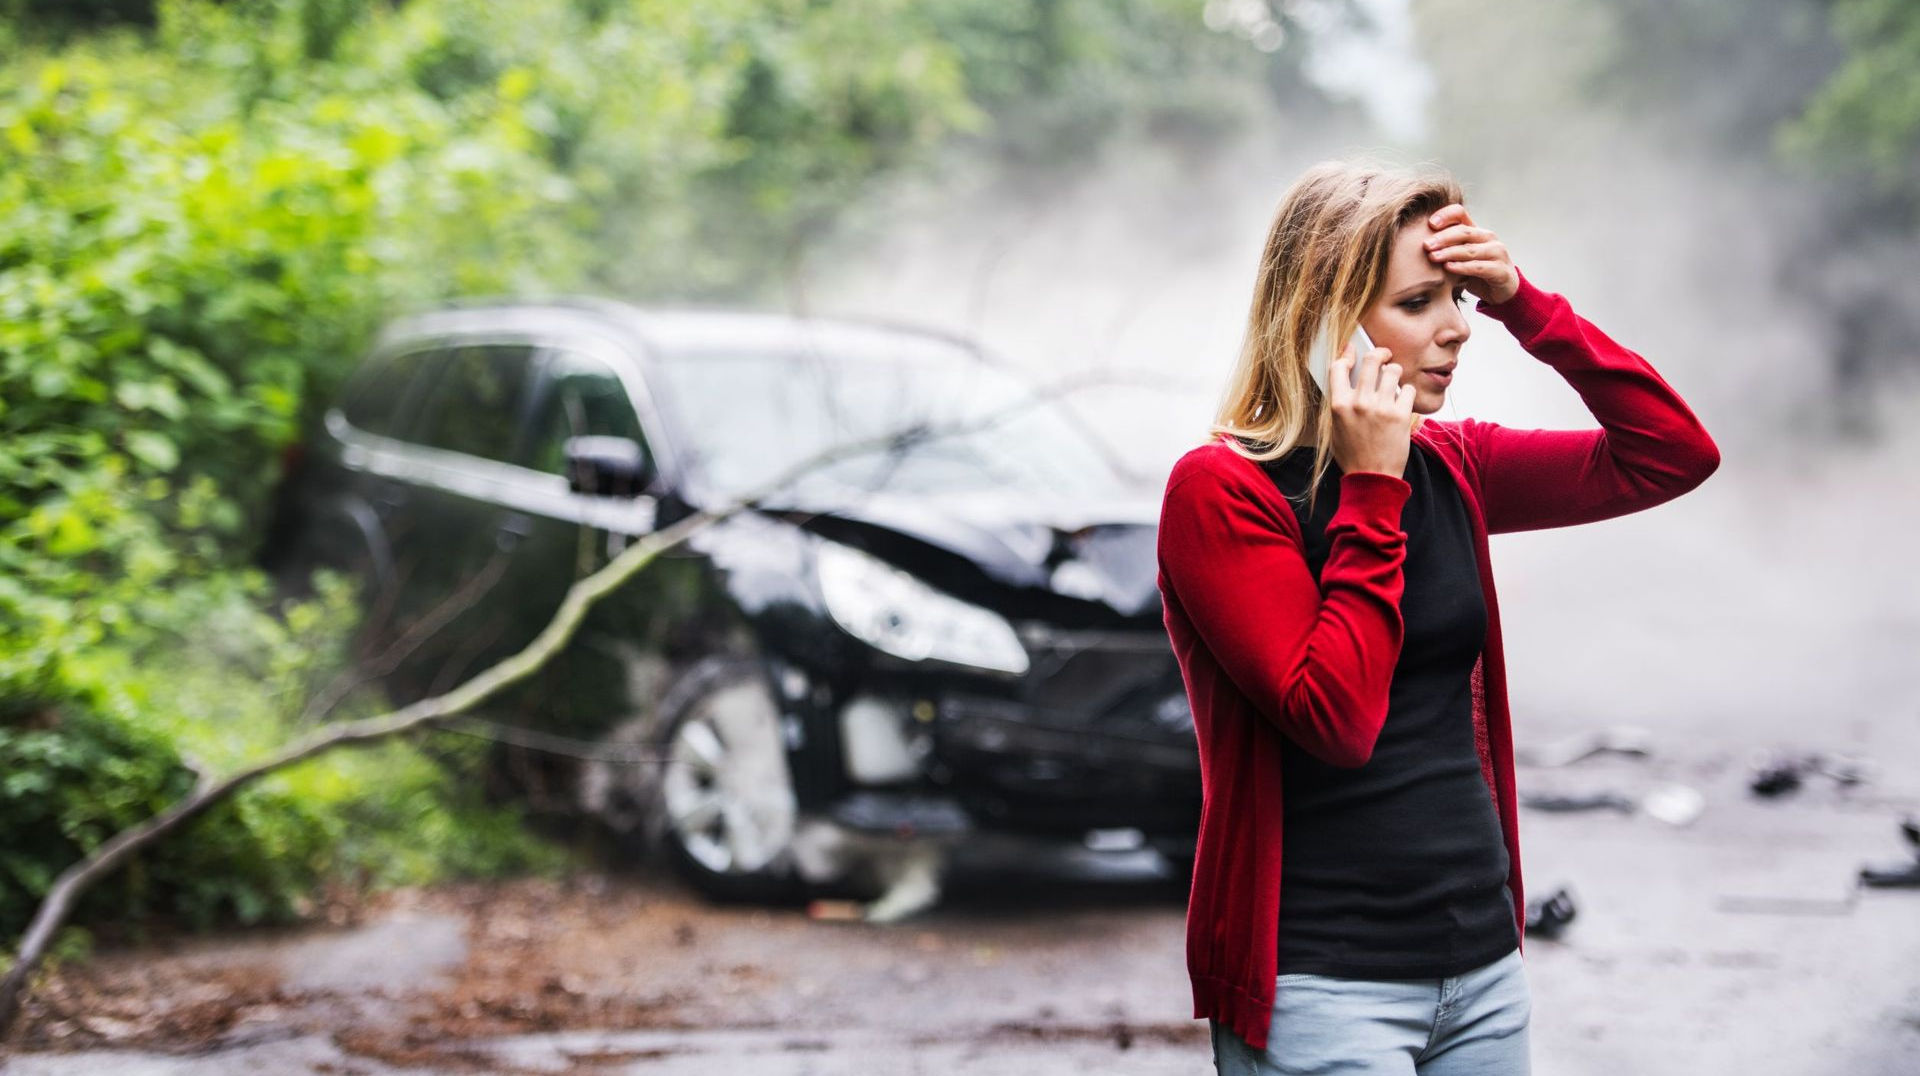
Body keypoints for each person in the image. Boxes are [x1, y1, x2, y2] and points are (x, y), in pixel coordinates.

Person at [1155, 160, 1720, 1074]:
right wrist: (1372, 486)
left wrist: (1525, 302)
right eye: (1420, 303)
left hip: (1482, 972)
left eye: (1459, 296)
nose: (1458, 328)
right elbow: (1335, 719)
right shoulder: (1223, 491)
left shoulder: (1453, 463)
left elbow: (1672, 454)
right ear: (1322, 319)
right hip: (1324, 987)